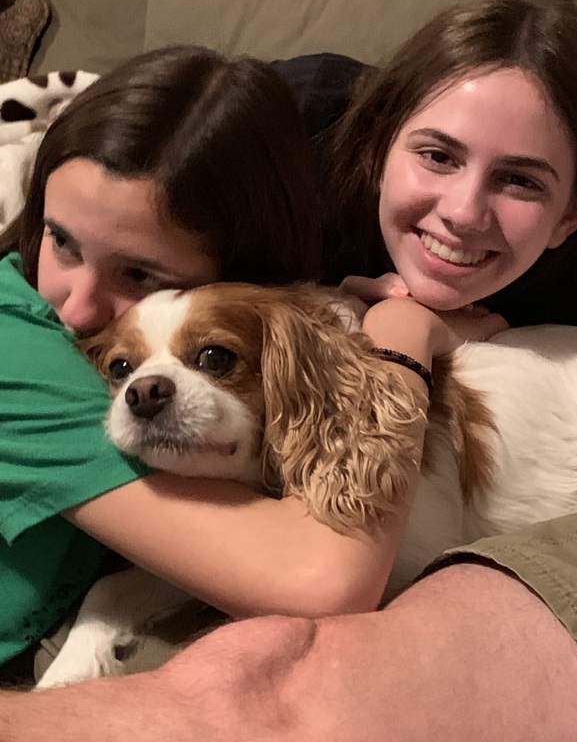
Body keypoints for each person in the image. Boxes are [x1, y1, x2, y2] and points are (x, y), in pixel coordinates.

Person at [3, 0, 577, 739]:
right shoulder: (275, 164)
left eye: (521, 180)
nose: (463, 212)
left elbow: (334, 575)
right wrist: (407, 332)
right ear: (378, 146)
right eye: (437, 155)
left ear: (574, 213)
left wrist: (408, 330)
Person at [0, 43, 490, 686]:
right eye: (61, 240)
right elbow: (320, 576)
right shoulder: (18, 347)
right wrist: (404, 337)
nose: (77, 308)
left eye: (140, 274)